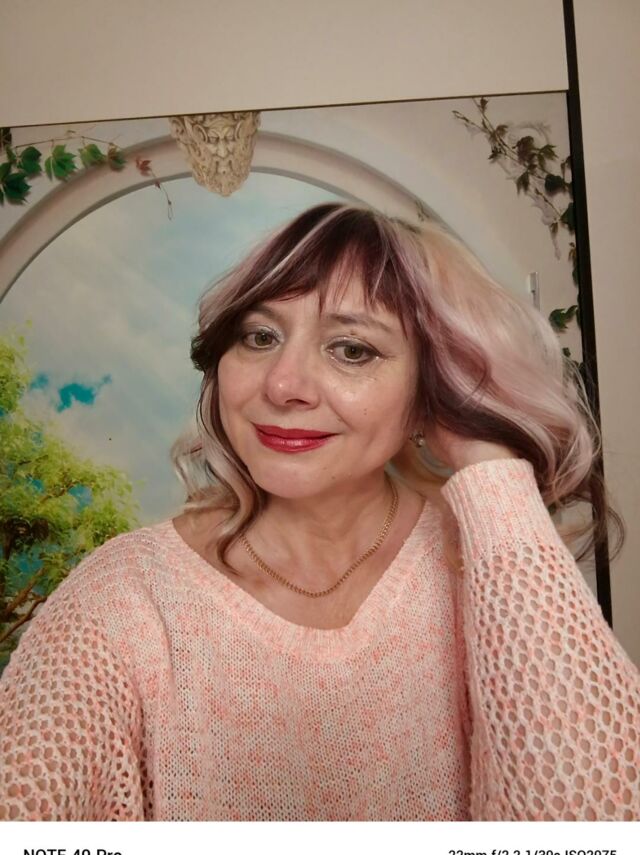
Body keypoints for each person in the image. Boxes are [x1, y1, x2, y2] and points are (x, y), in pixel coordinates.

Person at [1, 202, 639, 821]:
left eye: (352, 349)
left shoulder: (494, 568)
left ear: (432, 387)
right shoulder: (120, 600)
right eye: (260, 337)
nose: (283, 385)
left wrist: (488, 463)